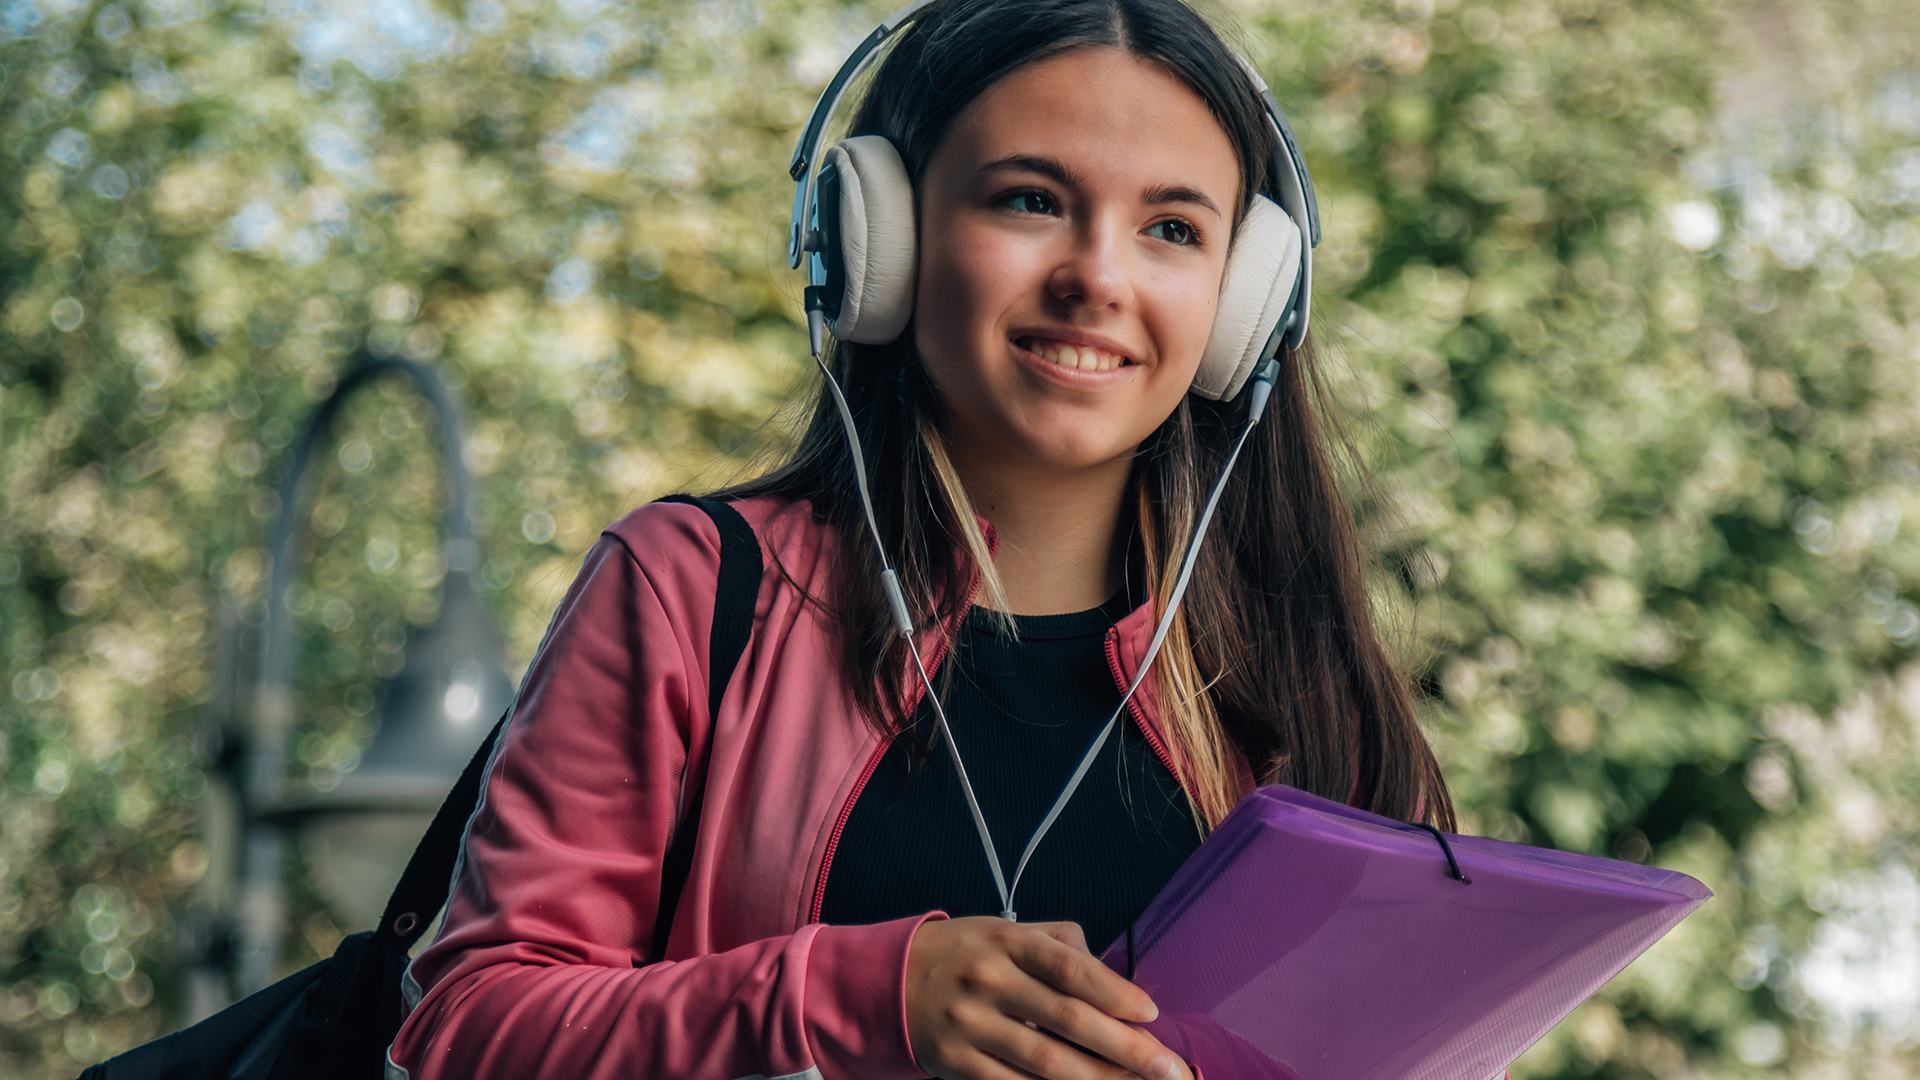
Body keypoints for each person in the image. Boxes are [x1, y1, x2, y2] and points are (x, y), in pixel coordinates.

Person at [387, 1, 1454, 1078]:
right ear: (879, 237)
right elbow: (468, 1030)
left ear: (1246, 304)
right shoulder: (693, 589)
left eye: (1172, 228)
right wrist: (859, 997)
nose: (1099, 277)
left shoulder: (1305, 676)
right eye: (1031, 201)